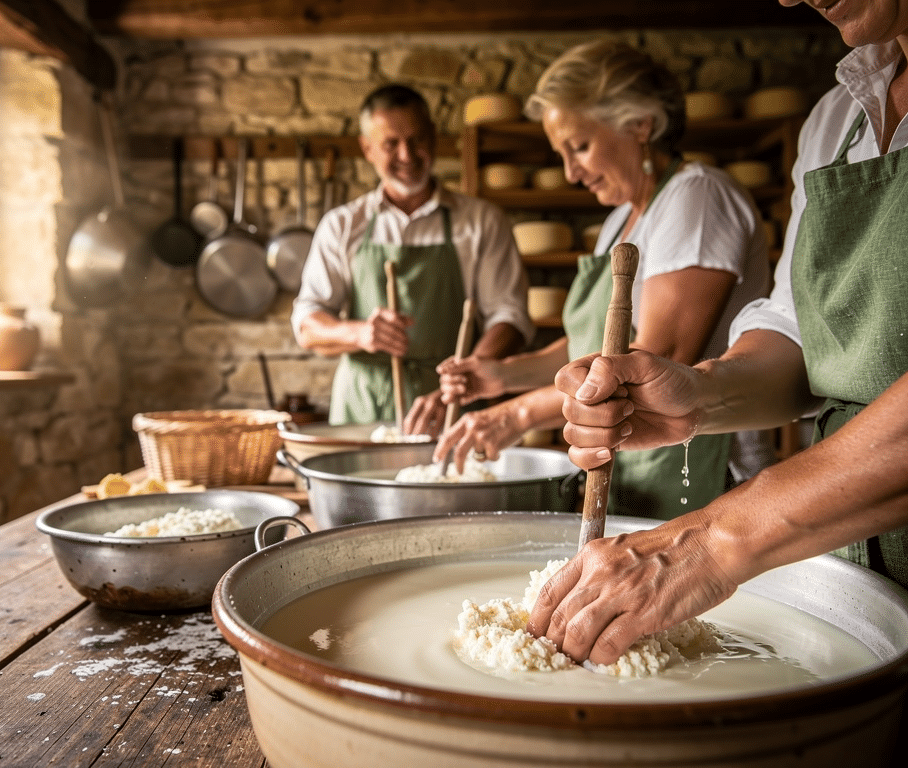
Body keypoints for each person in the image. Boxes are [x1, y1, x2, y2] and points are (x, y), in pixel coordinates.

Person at [527, 0, 908, 669]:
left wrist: (713, 540)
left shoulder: (698, 195)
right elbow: (796, 332)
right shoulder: (836, 120)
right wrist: (701, 395)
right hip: (852, 553)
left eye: (578, 146)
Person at [432, 40, 774, 520]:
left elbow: (658, 360)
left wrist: (517, 414)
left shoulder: (697, 198)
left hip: (702, 469)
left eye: (580, 146)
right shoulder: (620, 221)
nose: (572, 173)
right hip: (633, 460)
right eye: (562, 154)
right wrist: (503, 375)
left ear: (640, 124)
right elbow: (590, 348)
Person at [291, 84, 534, 428]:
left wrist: (465, 376)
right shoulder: (342, 225)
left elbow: (510, 317)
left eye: (417, 140)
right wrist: (359, 333)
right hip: (362, 408)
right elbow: (307, 322)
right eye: (391, 143)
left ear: (433, 139)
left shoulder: (481, 221)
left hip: (453, 403)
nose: (406, 155)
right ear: (368, 148)